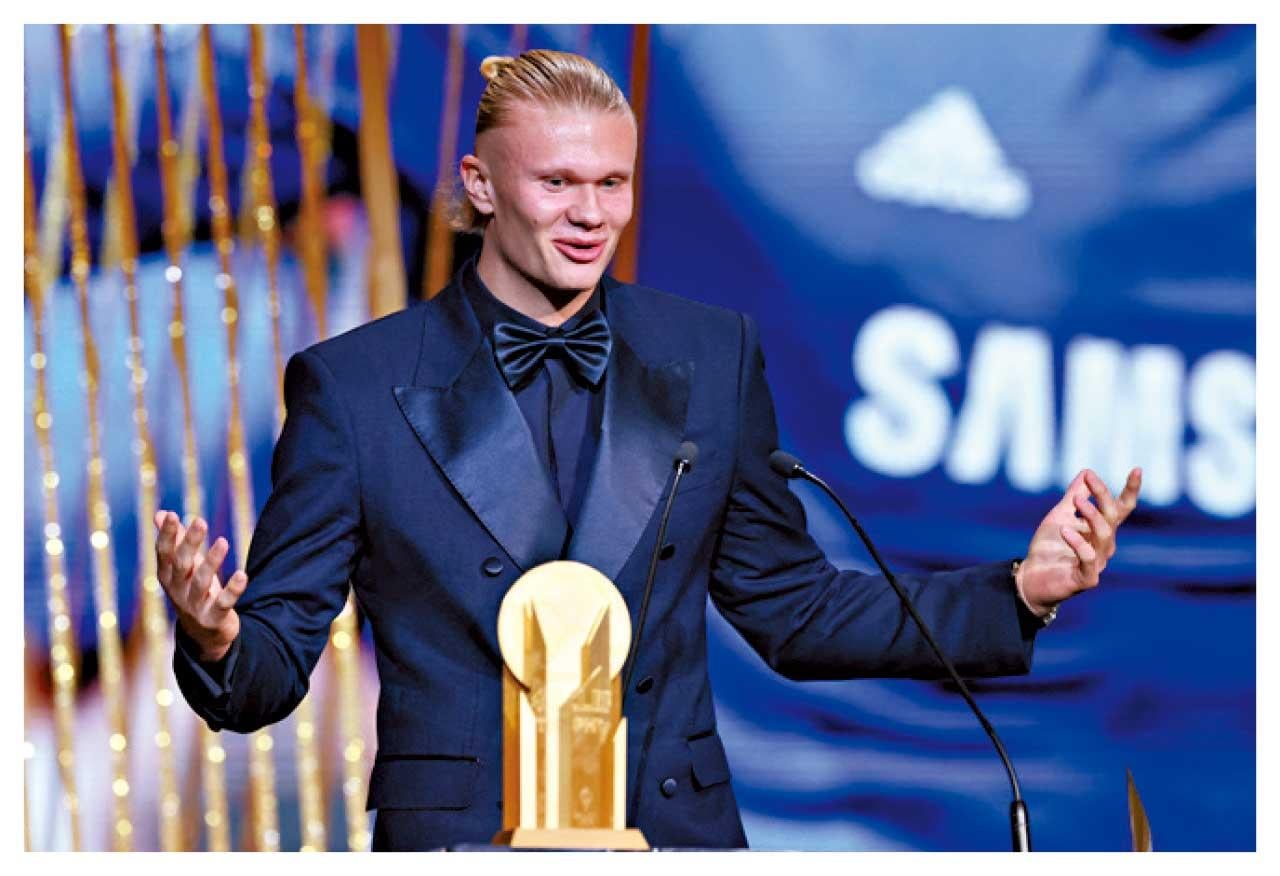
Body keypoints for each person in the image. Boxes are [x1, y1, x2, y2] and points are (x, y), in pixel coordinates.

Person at [156, 50, 1143, 851]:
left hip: (671, 833)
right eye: (556, 182)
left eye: (612, 184)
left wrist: (1018, 591)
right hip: (464, 839)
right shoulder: (355, 386)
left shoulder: (710, 357)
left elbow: (793, 610)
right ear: (480, 186)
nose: (590, 215)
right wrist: (217, 638)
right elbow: (268, 671)